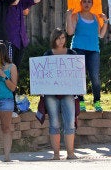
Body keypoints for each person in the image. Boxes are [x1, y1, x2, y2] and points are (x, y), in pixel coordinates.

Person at [65, 0, 109, 112]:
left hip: (94, 50)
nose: (86, 3)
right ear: (80, 3)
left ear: (92, 4)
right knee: (79, 77)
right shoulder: (76, 16)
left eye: (89, 1)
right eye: (84, 1)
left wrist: (105, 22)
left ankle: (97, 102)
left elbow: (101, 35)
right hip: (78, 49)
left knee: (95, 77)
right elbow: (69, 32)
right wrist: (68, 16)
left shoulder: (95, 17)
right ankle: (80, 102)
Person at [42, 28, 78, 160]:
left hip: (68, 93)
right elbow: (42, 74)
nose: (61, 41)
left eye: (63, 38)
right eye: (58, 38)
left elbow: (78, 73)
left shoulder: (72, 54)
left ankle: (70, 153)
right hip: (51, 94)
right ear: (54, 39)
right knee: (54, 123)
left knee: (69, 123)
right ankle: (56, 154)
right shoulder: (47, 54)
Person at [4, 0, 41, 68]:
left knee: (16, 69)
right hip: (10, 41)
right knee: (9, 69)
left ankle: (15, 83)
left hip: (21, 41)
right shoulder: (3, 2)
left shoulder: (20, 2)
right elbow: (15, 1)